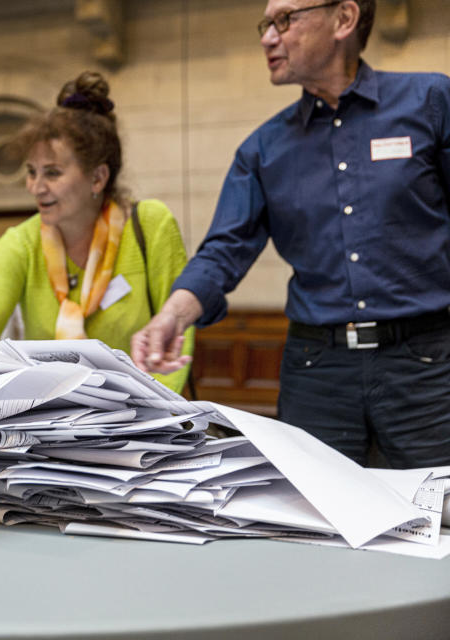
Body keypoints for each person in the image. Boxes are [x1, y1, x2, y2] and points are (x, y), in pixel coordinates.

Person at [131, 0, 450, 468]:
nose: (267, 37)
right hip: (317, 372)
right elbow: (224, 249)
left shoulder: (431, 103)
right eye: (266, 23)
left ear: (344, 19)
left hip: (428, 365)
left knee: (438, 522)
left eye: (285, 20)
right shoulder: (262, 150)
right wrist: (174, 315)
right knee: (314, 525)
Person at [0, 71, 194, 393]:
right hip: (47, 419)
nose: (36, 188)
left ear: (97, 178)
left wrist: (155, 416)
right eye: (31, 172)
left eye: (52, 173)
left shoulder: (151, 226)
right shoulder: (20, 243)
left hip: (141, 420)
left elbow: (177, 336)